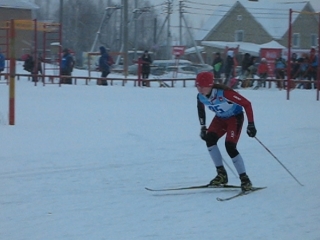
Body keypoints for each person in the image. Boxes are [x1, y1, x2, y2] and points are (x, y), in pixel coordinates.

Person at [196, 71, 257, 191]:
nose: (200, 89)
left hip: (234, 118)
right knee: (210, 140)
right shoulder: (200, 96)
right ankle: (221, 175)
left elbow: (247, 104)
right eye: (198, 86)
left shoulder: (224, 93)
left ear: (210, 85)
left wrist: (251, 124)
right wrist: (203, 126)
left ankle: (245, 179)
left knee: (230, 146)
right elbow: (200, 108)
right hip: (220, 119)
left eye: (203, 87)